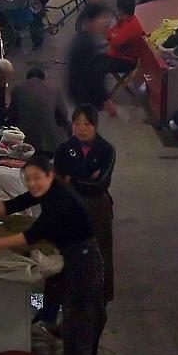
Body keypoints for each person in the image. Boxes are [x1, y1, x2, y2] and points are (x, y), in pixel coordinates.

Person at [0, 156, 107, 355]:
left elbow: (32, 235)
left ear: (50, 175)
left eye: (37, 177)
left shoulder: (59, 200)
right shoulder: (47, 191)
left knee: (79, 327)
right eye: (28, 179)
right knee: (72, 323)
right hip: (77, 261)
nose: (32, 183)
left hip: (86, 264)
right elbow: (14, 204)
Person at [54, 105, 117, 304]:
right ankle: (66, 297)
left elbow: (100, 184)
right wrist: (85, 178)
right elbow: (57, 178)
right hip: (69, 206)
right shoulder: (64, 148)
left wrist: (72, 179)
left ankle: (99, 295)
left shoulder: (107, 150)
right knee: (67, 253)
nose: (81, 128)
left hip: (97, 208)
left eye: (87, 124)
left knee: (99, 252)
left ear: (95, 126)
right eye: (77, 123)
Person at [67, 4, 116, 118]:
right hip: (86, 98)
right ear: (90, 21)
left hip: (81, 97)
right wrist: (106, 100)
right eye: (102, 18)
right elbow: (95, 76)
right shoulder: (86, 45)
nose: (106, 23)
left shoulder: (85, 39)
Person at [7, 68, 68, 157]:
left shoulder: (18, 89)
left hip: (24, 142)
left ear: (27, 78)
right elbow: (64, 115)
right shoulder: (53, 90)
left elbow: (11, 115)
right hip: (49, 144)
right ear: (43, 78)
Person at [105, 0, 144, 75]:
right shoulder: (125, 20)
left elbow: (115, 42)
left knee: (95, 64)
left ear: (121, 10)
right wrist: (112, 34)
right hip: (117, 54)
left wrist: (112, 35)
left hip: (127, 61)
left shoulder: (132, 26)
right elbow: (110, 32)